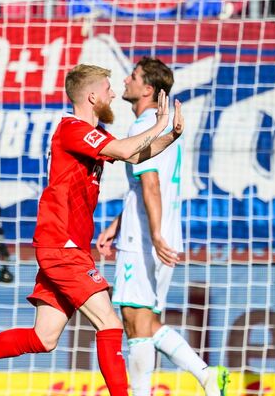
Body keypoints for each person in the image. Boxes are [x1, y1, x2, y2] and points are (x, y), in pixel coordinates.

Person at [0, 64, 185, 396]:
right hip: (60, 244)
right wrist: (159, 123)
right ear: (92, 96)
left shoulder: (93, 135)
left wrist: (170, 136)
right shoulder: (72, 129)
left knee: (43, 338)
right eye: (108, 88)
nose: (113, 93)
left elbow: (135, 156)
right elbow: (127, 150)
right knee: (109, 323)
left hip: (68, 246)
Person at [96, 57, 229, 396]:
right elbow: (143, 188)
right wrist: (117, 222)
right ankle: (207, 376)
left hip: (145, 238)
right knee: (149, 322)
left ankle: (143, 392)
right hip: (162, 231)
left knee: (134, 323)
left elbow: (151, 183)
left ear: (148, 89)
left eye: (134, 76)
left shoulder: (143, 127)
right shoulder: (166, 126)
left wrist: (152, 235)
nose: (126, 79)